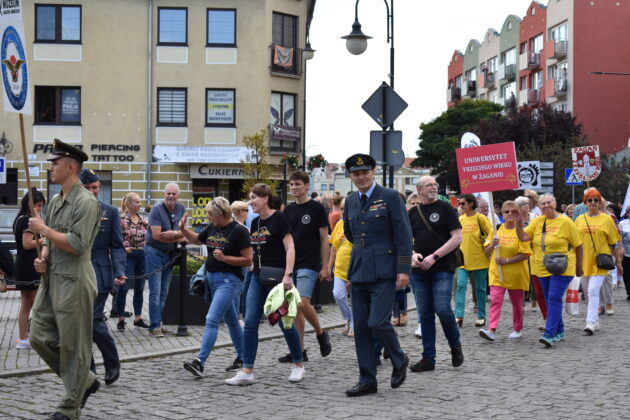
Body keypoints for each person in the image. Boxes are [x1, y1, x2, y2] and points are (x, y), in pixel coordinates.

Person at [28, 139, 101, 420]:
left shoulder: (86, 202)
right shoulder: (57, 200)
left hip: (75, 279)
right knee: (38, 335)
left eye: (55, 163)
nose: (51, 168)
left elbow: (77, 244)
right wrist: (43, 256)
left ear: (71, 167)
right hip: (53, 277)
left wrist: (44, 230)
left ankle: (70, 408)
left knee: (73, 346)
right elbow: (52, 238)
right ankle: (85, 381)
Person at [342, 154, 412, 397]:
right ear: (351, 176)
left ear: (373, 172)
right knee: (361, 327)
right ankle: (367, 380)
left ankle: (399, 358)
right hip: (359, 270)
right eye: (356, 173)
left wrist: (403, 269)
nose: (361, 177)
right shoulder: (351, 200)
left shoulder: (390, 197)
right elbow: (350, 234)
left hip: (385, 271)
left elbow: (403, 235)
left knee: (377, 322)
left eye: (365, 172)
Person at [225, 183, 304, 385]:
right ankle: (247, 370)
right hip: (257, 277)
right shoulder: (254, 222)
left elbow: (290, 248)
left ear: (265, 198)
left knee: (285, 323)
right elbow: (255, 249)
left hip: (278, 279)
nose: (250, 201)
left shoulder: (279, 218)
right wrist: (251, 264)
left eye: (254, 197)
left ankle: (298, 364)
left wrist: (288, 275)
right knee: (250, 322)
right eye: (250, 198)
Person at [181, 197, 252, 376]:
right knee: (232, 321)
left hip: (229, 281)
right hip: (212, 278)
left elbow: (248, 260)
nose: (208, 218)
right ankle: (244, 357)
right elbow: (197, 240)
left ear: (220, 214)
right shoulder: (213, 227)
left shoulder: (239, 231)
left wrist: (225, 258)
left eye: (210, 215)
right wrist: (183, 229)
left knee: (212, 319)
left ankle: (200, 362)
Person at [408, 176, 463, 374]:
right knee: (425, 314)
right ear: (419, 189)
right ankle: (428, 358)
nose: (434, 187)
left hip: (442, 267)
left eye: (435, 184)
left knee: (442, 308)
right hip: (419, 271)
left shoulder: (445, 208)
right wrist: (412, 255)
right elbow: (404, 240)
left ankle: (455, 345)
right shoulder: (413, 213)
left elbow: (457, 237)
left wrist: (435, 256)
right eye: (429, 185)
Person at [514, 193, 583, 347]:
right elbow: (523, 237)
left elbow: (578, 245)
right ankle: (560, 330)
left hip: (563, 266)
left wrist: (579, 268)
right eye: (543, 203)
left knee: (553, 297)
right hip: (542, 267)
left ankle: (549, 333)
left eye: (548, 202)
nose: (546, 205)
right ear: (539, 206)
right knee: (548, 299)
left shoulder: (566, 222)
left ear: (555, 203)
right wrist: (518, 223)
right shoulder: (538, 221)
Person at [280, 171, 332, 363]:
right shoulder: (288, 210)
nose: (294, 187)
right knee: (294, 308)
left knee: (301, 302)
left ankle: (320, 333)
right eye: (292, 184)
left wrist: (325, 266)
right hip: (291, 264)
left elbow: (324, 239)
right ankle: (299, 351)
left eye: (298, 184)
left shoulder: (317, 209)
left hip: (309, 263)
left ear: (307, 186)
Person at [80, 168, 125, 386]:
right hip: (76, 273)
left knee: (92, 319)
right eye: (87, 187)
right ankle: (89, 370)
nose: (92, 191)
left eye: (95, 187)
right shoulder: (72, 211)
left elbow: (116, 245)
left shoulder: (110, 211)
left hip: (99, 271)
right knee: (80, 324)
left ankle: (111, 363)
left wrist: (119, 271)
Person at [479, 201, 531, 341]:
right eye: (506, 212)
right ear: (501, 214)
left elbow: (525, 254)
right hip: (497, 273)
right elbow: (486, 250)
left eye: (513, 211)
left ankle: (517, 329)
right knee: (495, 300)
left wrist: (507, 261)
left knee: (517, 304)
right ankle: (492, 329)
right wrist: (493, 244)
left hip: (516, 274)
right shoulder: (496, 230)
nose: (509, 214)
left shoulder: (521, 232)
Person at [574, 188, 622, 334]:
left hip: (601, 261)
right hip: (584, 261)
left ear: (600, 202)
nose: (593, 202)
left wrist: (618, 261)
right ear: (585, 202)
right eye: (590, 200)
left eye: (596, 200)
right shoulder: (579, 219)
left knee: (593, 290)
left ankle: (589, 322)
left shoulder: (607, 219)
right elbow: (575, 242)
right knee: (587, 293)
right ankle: (595, 320)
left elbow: (614, 243)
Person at [145, 183, 186, 337]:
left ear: (178, 195)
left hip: (170, 254)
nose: (170, 196)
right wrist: (178, 236)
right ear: (164, 194)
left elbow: (184, 232)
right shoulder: (156, 210)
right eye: (168, 193)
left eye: (173, 194)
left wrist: (173, 234)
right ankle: (154, 326)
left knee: (164, 292)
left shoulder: (181, 209)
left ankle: (158, 323)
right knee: (155, 291)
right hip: (154, 253)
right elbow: (157, 236)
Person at [12, 189, 46, 350]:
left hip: (23, 265)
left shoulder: (20, 218)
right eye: (38, 205)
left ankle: (23, 338)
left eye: (41, 206)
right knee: (36, 303)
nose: (40, 208)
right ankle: (32, 337)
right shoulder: (27, 220)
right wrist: (46, 238)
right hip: (29, 266)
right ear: (30, 204)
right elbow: (27, 244)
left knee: (26, 303)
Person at [455, 194, 493, 327]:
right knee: (460, 285)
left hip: (480, 259)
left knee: (480, 288)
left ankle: (481, 316)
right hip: (463, 260)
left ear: (471, 204)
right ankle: (459, 315)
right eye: (460, 204)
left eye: (463, 203)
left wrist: (488, 244)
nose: (460, 206)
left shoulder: (480, 218)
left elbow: (491, 233)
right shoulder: (460, 219)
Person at [118, 192, 150, 330]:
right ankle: (120, 319)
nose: (140, 204)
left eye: (139, 202)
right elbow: (115, 237)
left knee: (140, 288)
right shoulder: (121, 219)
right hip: (128, 257)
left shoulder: (143, 220)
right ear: (129, 204)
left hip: (142, 256)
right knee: (124, 288)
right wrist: (123, 248)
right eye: (137, 202)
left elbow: (149, 236)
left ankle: (138, 318)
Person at [515, 195, 546, 325]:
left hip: (533, 251)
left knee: (534, 281)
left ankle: (534, 301)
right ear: (518, 207)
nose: (527, 206)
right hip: (519, 251)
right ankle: (521, 303)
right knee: (521, 278)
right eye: (524, 204)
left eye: (527, 204)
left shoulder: (534, 217)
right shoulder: (516, 218)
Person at [328, 198, 353, 337]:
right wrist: (329, 268)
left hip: (355, 269)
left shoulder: (358, 224)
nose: (344, 211)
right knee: (338, 295)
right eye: (342, 209)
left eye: (347, 208)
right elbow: (333, 248)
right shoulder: (339, 224)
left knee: (355, 299)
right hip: (339, 268)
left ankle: (354, 325)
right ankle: (348, 317)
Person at [619, 207, 630, 299]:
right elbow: (619, 238)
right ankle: (629, 291)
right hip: (626, 252)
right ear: (627, 214)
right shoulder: (622, 224)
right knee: (626, 273)